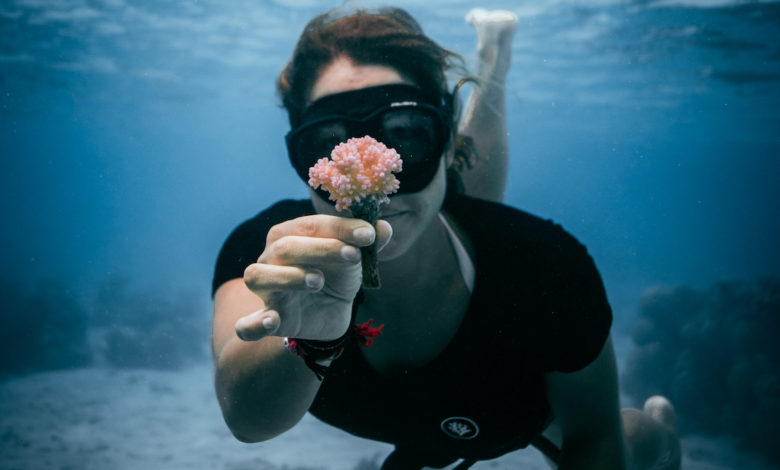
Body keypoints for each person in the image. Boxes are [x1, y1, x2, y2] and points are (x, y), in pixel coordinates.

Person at [211, 6, 680, 470]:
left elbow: (592, 434)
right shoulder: (268, 257)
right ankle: (487, 71)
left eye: (409, 135)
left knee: (634, 440)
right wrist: (304, 339)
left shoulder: (546, 269)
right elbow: (247, 420)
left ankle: (491, 73)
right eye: (329, 141)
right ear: (301, 153)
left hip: (505, 413)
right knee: (444, 205)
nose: (372, 184)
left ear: (445, 137)